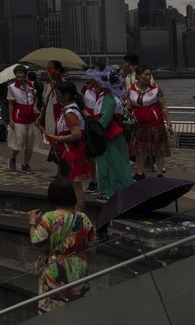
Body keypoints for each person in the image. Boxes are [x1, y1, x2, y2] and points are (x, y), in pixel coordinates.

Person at [28, 178, 95, 314]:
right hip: (78, 266)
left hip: (55, 268)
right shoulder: (83, 217)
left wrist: (32, 222)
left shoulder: (49, 218)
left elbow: (36, 243)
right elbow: (92, 247)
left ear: (52, 197)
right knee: (77, 310)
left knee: (53, 310)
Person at [41, 81, 90, 212]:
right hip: (69, 153)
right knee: (69, 184)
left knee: (75, 186)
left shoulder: (70, 113)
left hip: (73, 153)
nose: (56, 97)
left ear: (66, 95)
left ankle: (78, 215)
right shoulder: (69, 110)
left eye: (57, 94)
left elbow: (76, 134)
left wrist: (59, 138)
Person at [88, 66, 132, 200]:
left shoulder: (107, 98)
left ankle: (109, 191)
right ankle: (119, 190)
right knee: (118, 162)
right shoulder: (112, 96)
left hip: (108, 135)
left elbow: (104, 119)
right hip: (113, 134)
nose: (93, 83)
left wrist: (93, 132)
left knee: (108, 164)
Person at [126, 65, 172, 181]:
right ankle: (140, 173)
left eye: (149, 75)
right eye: (145, 74)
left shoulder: (156, 89)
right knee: (139, 150)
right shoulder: (131, 90)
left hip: (156, 125)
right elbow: (128, 107)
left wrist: (169, 123)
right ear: (137, 76)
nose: (148, 77)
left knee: (158, 149)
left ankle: (160, 173)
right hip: (139, 126)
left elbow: (163, 107)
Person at [6, 65, 41, 173]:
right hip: (19, 117)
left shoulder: (32, 85)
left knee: (30, 143)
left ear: (25, 74)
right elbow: (11, 104)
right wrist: (11, 119)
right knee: (19, 141)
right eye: (17, 73)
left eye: (21, 72)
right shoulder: (12, 87)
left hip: (31, 117)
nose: (18, 74)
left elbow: (36, 98)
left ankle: (25, 164)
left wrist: (35, 106)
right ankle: (12, 159)